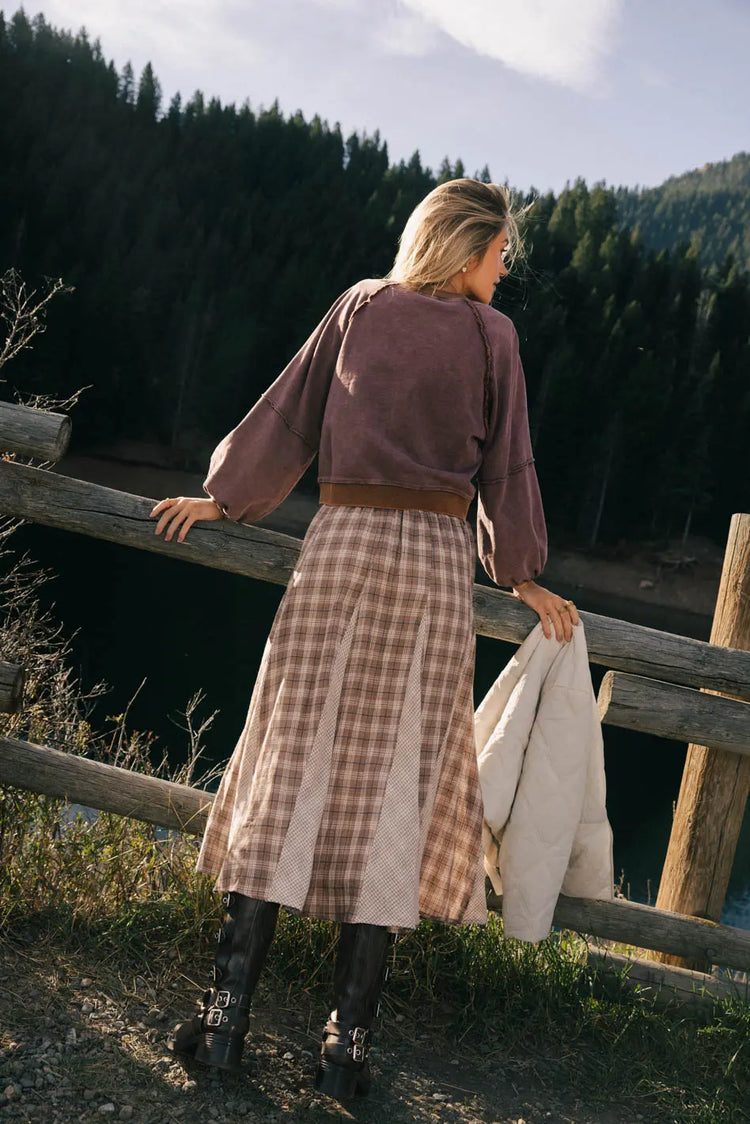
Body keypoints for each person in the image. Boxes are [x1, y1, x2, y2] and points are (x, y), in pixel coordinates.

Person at [151, 178, 580, 1103]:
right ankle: (345, 1049)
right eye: (503, 253)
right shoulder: (490, 337)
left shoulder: (359, 305)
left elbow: (291, 415)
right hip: (430, 566)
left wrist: (223, 497)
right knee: (397, 779)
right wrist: (524, 573)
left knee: (290, 758)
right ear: (466, 251)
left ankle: (226, 1027)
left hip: (338, 549)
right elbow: (508, 464)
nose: (506, 269)